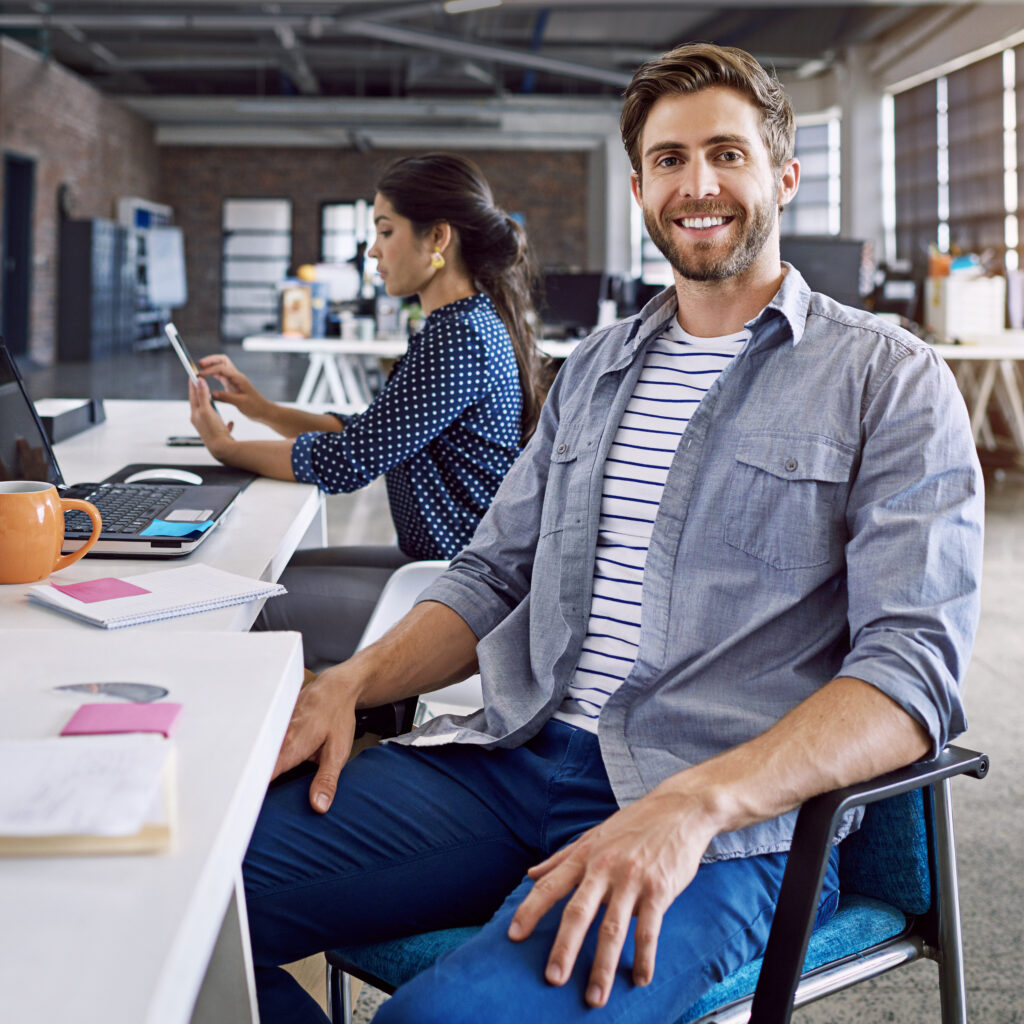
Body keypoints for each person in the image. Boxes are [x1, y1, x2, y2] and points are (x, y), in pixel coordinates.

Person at [241, 43, 984, 1024]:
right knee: (174, 894)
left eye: (726, 153)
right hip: (510, 759)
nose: (698, 183)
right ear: (640, 187)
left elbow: (910, 674)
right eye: (670, 160)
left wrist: (696, 803)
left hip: (718, 817)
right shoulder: (594, 366)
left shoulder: (887, 379)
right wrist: (350, 682)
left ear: (784, 177)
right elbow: (493, 570)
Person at [189, 153, 547, 668]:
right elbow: (372, 431)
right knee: (267, 573)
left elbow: (347, 462)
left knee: (242, 605)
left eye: (385, 230)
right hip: (438, 565)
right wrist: (263, 409)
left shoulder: (459, 338)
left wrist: (226, 448)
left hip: (461, 591)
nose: (372, 251)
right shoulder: (460, 325)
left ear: (437, 238)